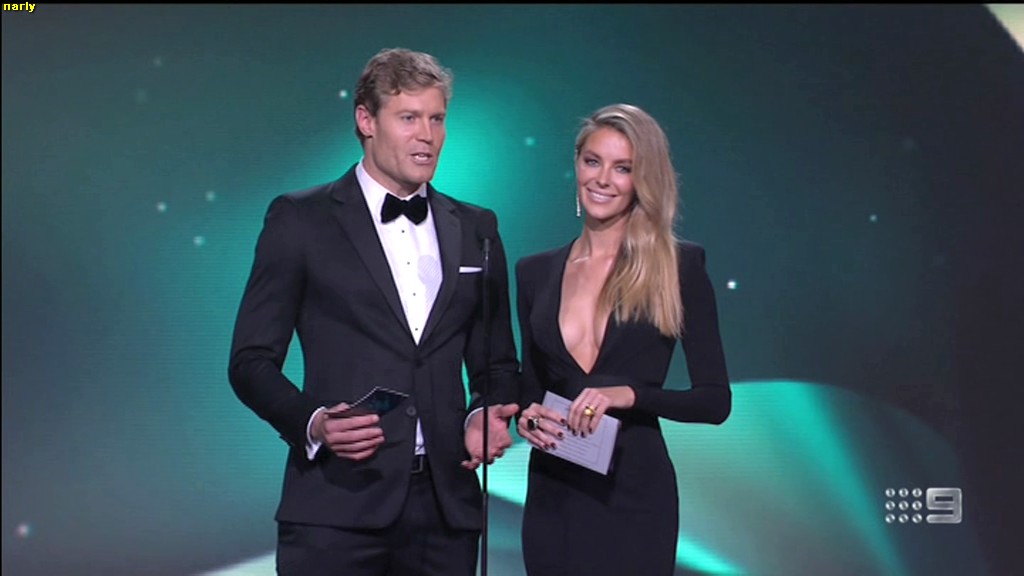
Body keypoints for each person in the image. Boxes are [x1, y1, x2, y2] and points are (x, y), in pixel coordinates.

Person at [228, 47, 521, 576]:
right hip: (337, 508)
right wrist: (313, 423)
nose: (427, 136)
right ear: (366, 120)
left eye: (437, 119)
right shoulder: (301, 219)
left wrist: (484, 413)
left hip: (445, 511)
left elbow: (496, 364)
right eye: (409, 118)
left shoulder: (477, 228)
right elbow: (250, 362)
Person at [514, 103, 732, 575]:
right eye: (592, 161)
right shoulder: (534, 273)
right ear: (576, 165)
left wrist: (629, 394)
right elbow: (532, 388)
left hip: (634, 495)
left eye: (623, 168)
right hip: (554, 492)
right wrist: (526, 417)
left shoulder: (678, 267)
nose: (602, 179)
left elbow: (715, 402)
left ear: (643, 180)